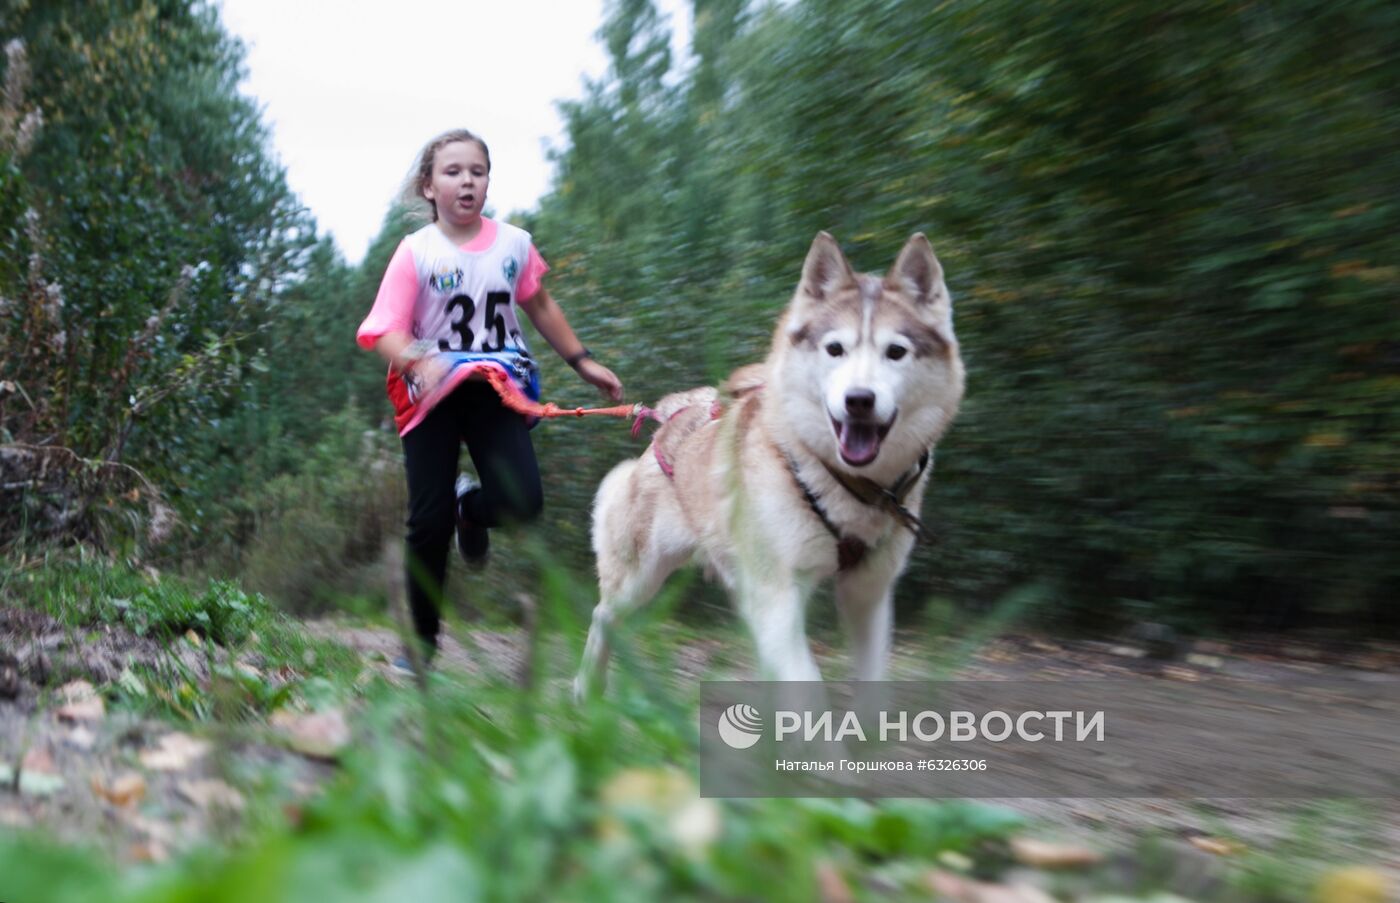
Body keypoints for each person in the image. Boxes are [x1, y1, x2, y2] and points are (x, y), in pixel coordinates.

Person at [356, 128, 623, 669]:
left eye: (477, 171)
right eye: (453, 172)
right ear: (429, 187)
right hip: (431, 394)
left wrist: (583, 360)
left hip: (496, 390)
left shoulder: (514, 245)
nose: (466, 181)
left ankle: (469, 510)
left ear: (487, 182)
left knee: (524, 503)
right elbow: (381, 329)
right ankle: (422, 646)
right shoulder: (416, 253)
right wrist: (417, 358)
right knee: (426, 523)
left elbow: (540, 303)